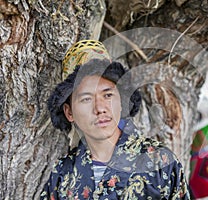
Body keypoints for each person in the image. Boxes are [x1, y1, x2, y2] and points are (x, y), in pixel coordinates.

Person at [40, 40, 191, 199]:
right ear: (69, 112)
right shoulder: (62, 176)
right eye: (86, 99)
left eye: (108, 95)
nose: (100, 108)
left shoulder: (159, 162)